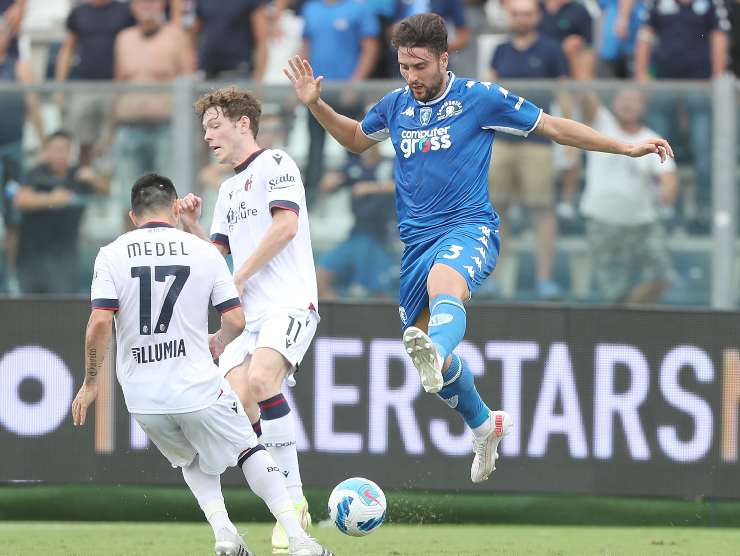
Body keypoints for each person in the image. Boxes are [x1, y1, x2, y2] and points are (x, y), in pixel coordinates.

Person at [283, 12, 672, 483]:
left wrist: (625, 147)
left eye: (420, 66)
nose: (412, 77)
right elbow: (354, 141)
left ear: (445, 59)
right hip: (416, 243)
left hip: (469, 228)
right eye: (405, 67)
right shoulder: (394, 106)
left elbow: (552, 126)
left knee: (443, 288)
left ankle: (437, 351)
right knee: (432, 358)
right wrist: (315, 104)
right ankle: (485, 424)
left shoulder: (480, 99)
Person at [71, 173, 333, 556]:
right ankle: (298, 539)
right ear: (176, 209)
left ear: (132, 216)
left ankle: (225, 535)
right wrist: (219, 342)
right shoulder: (202, 252)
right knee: (248, 448)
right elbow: (236, 320)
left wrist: (92, 382)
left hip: (144, 399)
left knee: (190, 459)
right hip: (196, 385)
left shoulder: (110, 254)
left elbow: (98, 324)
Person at [178, 87, 318, 554]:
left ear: (242, 124)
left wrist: (237, 276)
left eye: (214, 125)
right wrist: (191, 227)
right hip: (249, 315)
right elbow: (214, 255)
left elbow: (286, 227)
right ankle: (259, 517)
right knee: (236, 410)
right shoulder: (227, 188)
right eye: (203, 129)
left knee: (262, 380)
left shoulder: (275, 164)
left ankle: (294, 508)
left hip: (288, 303)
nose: (207, 136)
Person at [488, 0, 569, 299]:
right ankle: (493, 277)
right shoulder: (500, 50)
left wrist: (568, 145)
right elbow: (489, 92)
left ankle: (544, 279)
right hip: (501, 140)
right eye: (516, 13)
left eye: (527, 13)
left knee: (542, 209)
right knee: (496, 210)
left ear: (537, 16)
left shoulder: (551, 49)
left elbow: (564, 94)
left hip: (538, 140)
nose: (521, 19)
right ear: (509, 16)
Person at [580, 89, 678, 304]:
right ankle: (622, 322)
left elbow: (669, 176)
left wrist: (667, 194)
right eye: (623, 99)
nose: (628, 105)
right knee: (613, 290)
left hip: (642, 224)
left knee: (661, 277)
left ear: (643, 107)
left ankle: (629, 316)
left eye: (634, 100)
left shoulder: (651, 138)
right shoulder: (600, 125)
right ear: (613, 104)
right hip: (603, 223)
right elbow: (586, 93)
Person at [106, 0, 195, 230]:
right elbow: (118, 83)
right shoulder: (123, 38)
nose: (146, 7)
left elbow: (189, 83)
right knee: (127, 196)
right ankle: (129, 254)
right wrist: (110, 127)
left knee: (168, 196)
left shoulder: (176, 37)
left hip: (166, 128)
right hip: (129, 127)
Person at [13, 131, 107, 294]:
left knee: (61, 308)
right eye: (55, 149)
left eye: (64, 149)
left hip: (65, 257)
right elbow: (20, 200)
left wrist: (95, 179)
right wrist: (52, 199)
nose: (60, 154)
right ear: (47, 151)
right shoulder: (35, 173)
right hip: (31, 256)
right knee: (28, 309)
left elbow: (107, 191)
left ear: (71, 152)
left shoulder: (78, 175)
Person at [54, 0, 135, 166]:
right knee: (84, 141)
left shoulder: (125, 11)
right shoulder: (79, 12)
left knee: (112, 141)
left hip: (115, 86)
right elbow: (68, 49)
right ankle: (85, 182)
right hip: (85, 85)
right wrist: (59, 87)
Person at [316, 144, 396, 299]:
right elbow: (328, 185)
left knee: (379, 294)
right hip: (356, 234)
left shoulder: (389, 164)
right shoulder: (354, 166)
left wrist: (371, 187)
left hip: (381, 235)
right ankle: (340, 320)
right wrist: (328, 181)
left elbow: (404, 185)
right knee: (320, 281)